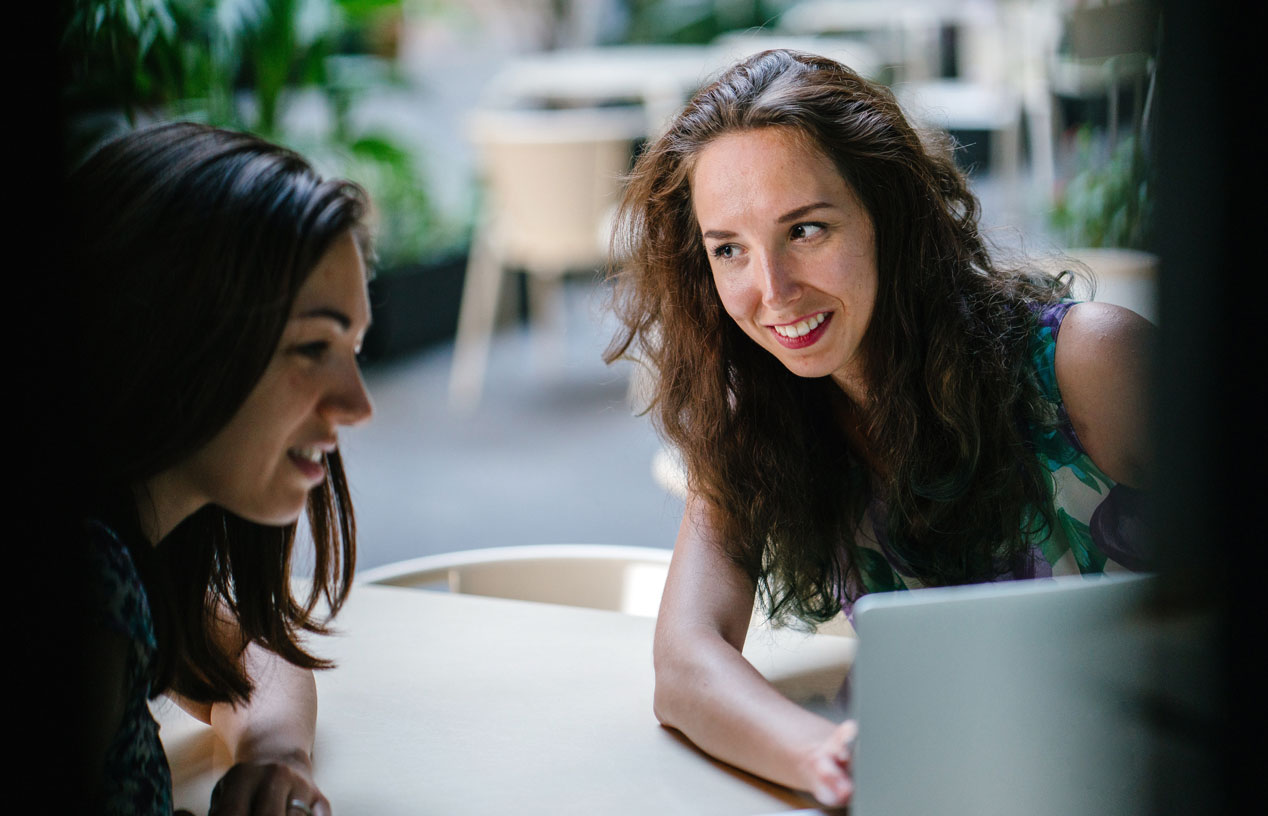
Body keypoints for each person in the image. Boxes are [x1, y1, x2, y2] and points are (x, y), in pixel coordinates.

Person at [605, 49, 1154, 807]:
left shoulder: (1088, 362)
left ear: (888, 214)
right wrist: (825, 756)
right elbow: (685, 662)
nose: (773, 291)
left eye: (805, 230)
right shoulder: (760, 423)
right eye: (728, 248)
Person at [63, 121, 374, 815]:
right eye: (313, 347)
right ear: (180, 338)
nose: (358, 405)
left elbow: (250, 655)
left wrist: (274, 760)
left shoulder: (137, 561)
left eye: (353, 346)